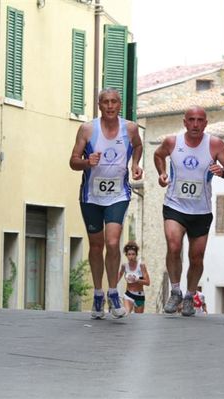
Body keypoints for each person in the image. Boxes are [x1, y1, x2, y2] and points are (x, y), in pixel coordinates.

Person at [154, 106, 224, 317]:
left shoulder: (214, 144)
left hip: (201, 210)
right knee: (173, 246)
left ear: (205, 124)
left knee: (196, 256)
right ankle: (174, 291)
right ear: (185, 122)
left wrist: (223, 171)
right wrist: (162, 173)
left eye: (200, 120)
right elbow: (158, 154)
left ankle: (190, 295)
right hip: (174, 205)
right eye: (191, 120)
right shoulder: (173, 142)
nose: (196, 124)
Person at [69, 88, 143, 320]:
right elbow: (73, 161)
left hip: (118, 195)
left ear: (120, 105)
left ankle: (113, 292)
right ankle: (98, 293)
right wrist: (86, 162)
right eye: (105, 102)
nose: (110, 106)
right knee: (95, 245)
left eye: (114, 102)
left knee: (112, 242)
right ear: (99, 105)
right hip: (91, 196)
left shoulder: (129, 128)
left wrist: (135, 165)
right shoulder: (88, 129)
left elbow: (138, 145)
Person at [117, 241, 150, 314]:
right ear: (126, 255)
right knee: (126, 315)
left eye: (133, 254)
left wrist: (137, 280)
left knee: (138, 319)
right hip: (128, 294)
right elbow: (118, 277)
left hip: (139, 295)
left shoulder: (141, 266)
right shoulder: (124, 266)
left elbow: (148, 282)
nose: (131, 257)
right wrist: (112, 288)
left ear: (136, 255)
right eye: (129, 254)